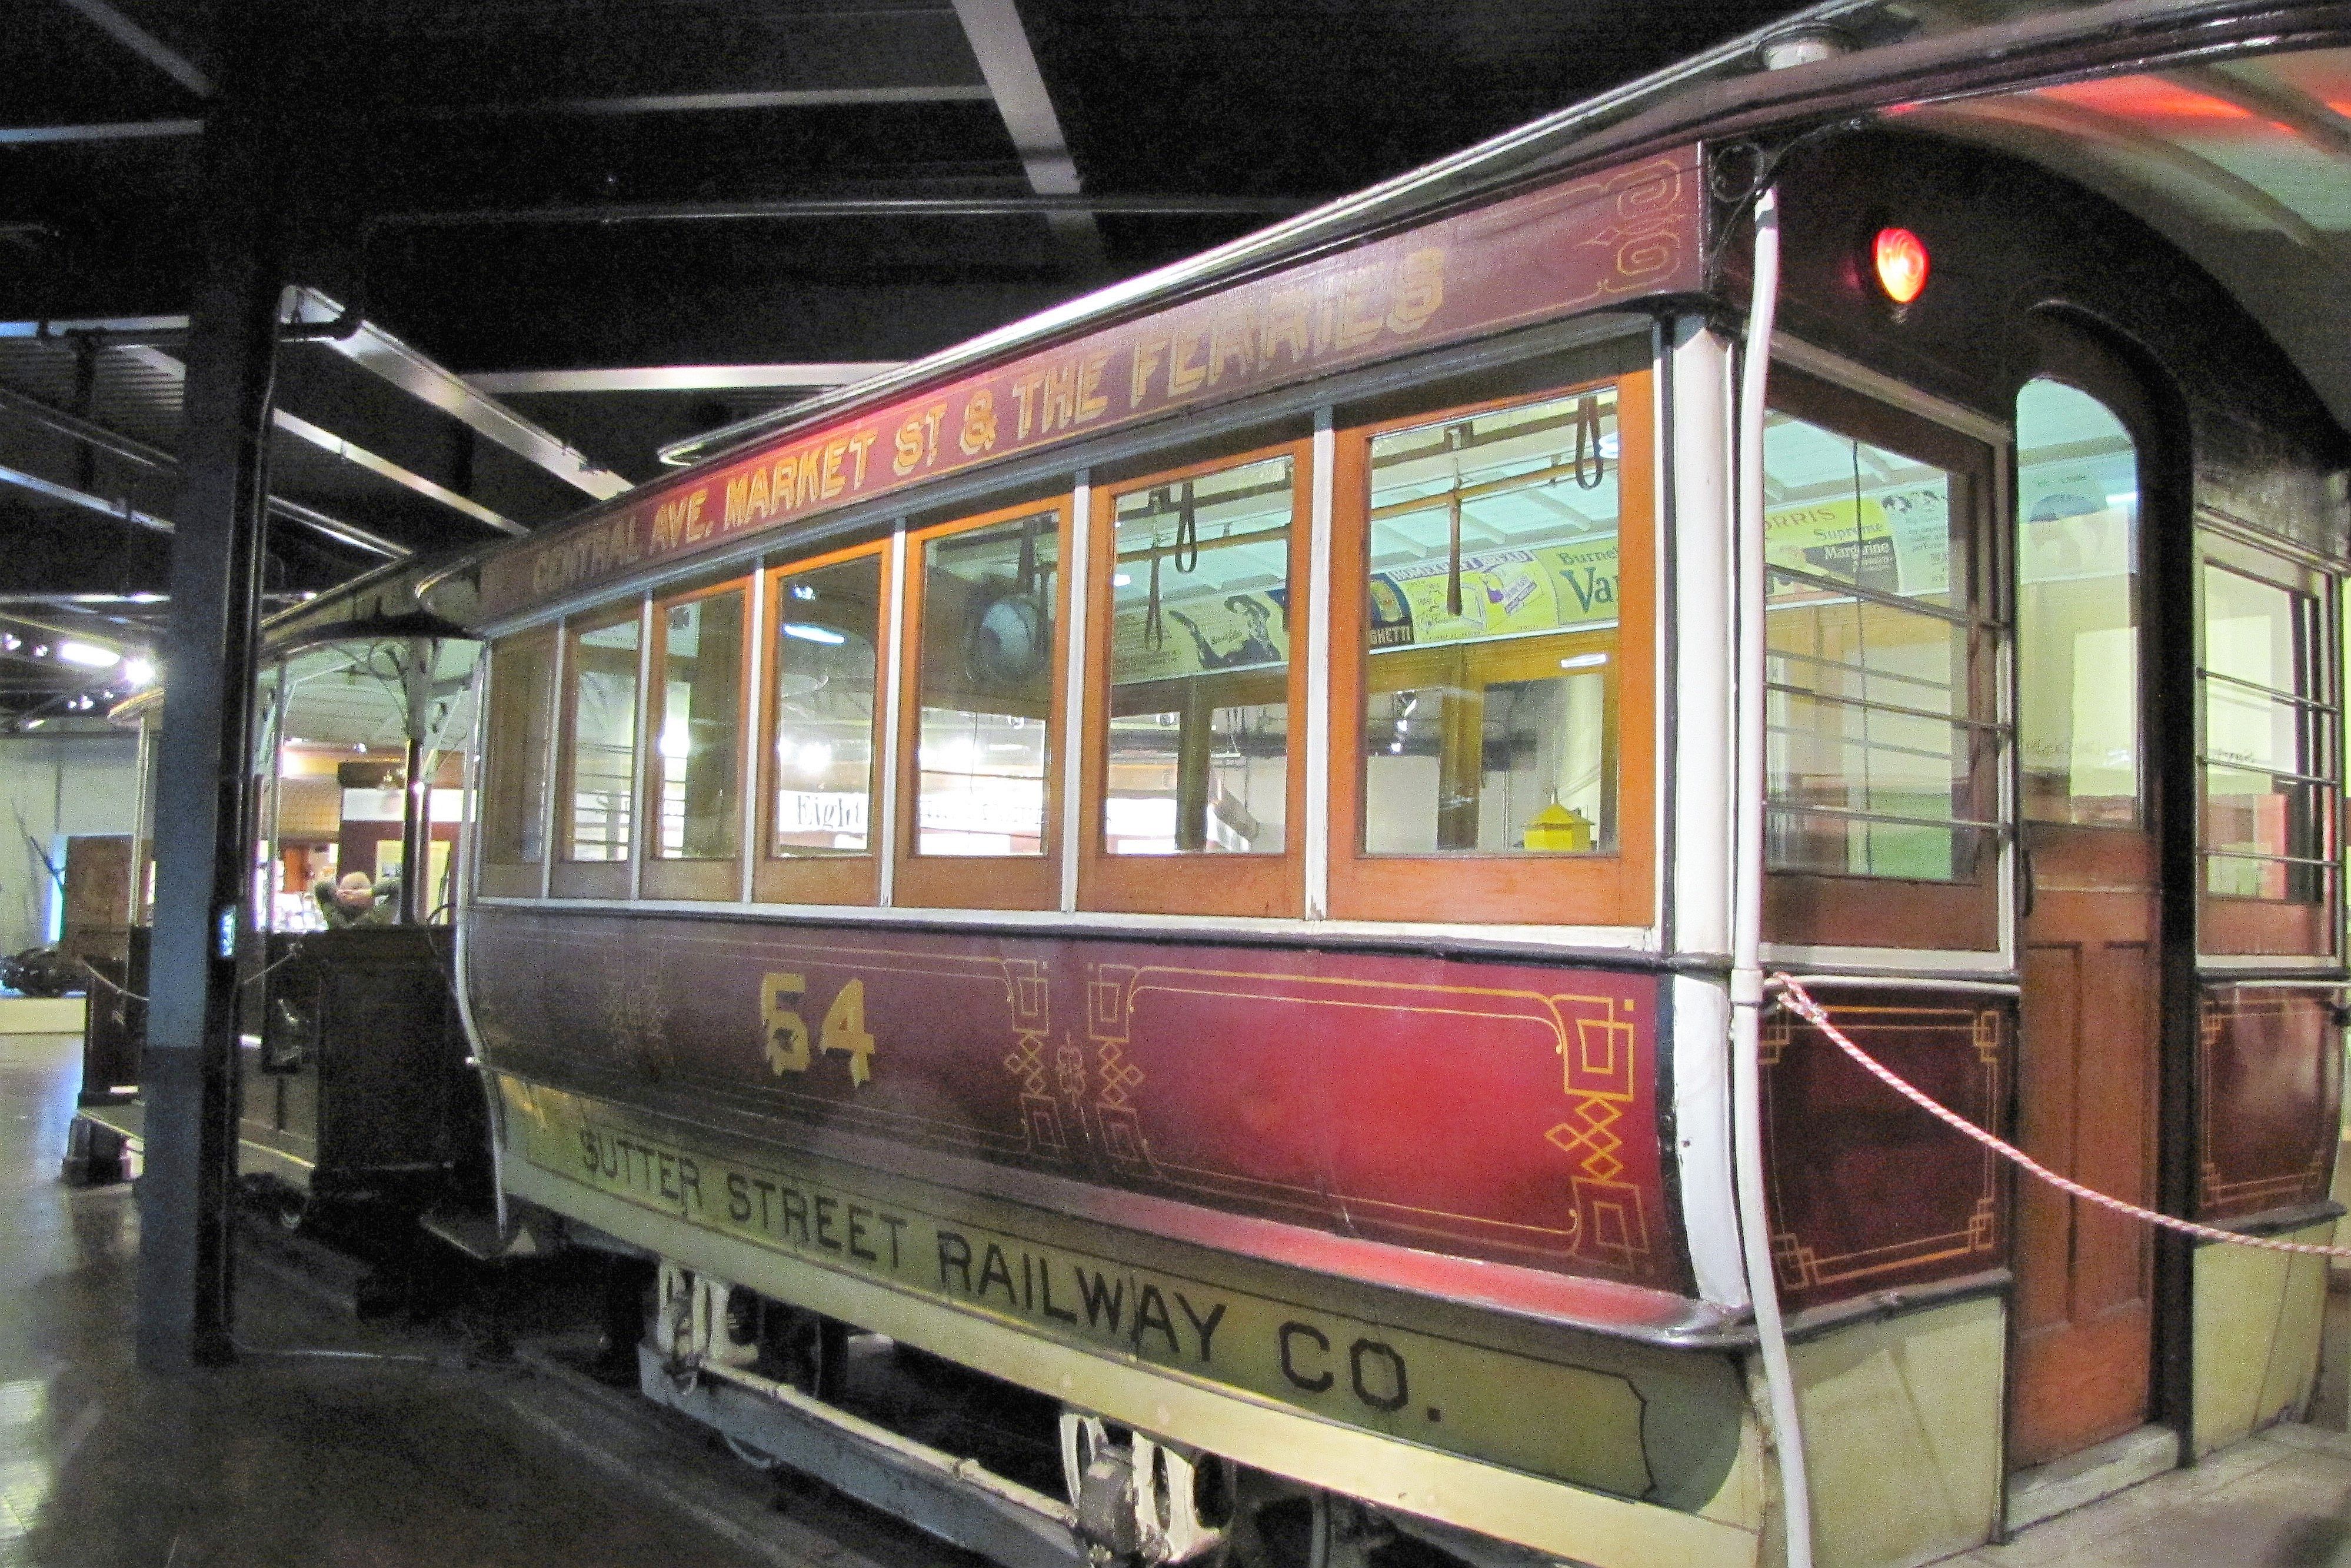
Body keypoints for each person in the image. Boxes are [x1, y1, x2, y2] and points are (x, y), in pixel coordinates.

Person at [312, 870, 389, 928]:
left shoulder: (376, 915)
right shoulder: (378, 915)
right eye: (341, 889)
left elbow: (397, 886)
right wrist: (370, 892)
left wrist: (369, 892)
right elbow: (321, 887)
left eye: (343, 888)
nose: (341, 892)